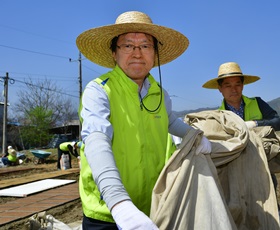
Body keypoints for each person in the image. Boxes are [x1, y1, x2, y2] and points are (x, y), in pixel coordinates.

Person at [76, 11, 211, 229]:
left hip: (152, 207)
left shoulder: (160, 93)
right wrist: (119, 202)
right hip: (108, 212)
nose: (137, 53)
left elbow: (168, 121)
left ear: (155, 54)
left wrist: (193, 136)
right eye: (128, 46)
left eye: (146, 46)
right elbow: (96, 139)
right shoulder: (100, 90)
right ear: (114, 53)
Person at [202, 61, 280, 225]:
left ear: (243, 86)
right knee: (238, 188)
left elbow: (278, 122)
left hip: (259, 152)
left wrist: (255, 124)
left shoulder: (257, 102)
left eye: (237, 84)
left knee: (268, 179)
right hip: (236, 157)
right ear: (220, 89)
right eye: (227, 85)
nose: (233, 89)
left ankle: (275, 209)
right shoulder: (218, 115)